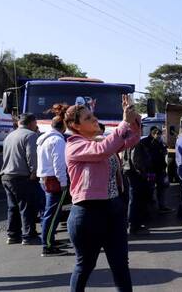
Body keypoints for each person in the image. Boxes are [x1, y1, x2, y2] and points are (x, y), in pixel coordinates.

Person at [65, 94, 140, 291]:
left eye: (93, 115)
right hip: (87, 213)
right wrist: (124, 122)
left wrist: (133, 115)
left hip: (113, 209)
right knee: (85, 265)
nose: (94, 119)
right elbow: (102, 151)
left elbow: (132, 138)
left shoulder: (101, 140)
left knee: (120, 266)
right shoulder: (74, 145)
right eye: (88, 118)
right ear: (76, 126)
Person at [0, 113, 40, 245]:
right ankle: (29, 236)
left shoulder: (9, 135)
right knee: (26, 207)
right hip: (21, 176)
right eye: (35, 123)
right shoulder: (30, 135)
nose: (36, 125)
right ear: (31, 123)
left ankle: (13, 235)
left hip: (6, 175)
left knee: (13, 207)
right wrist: (34, 171)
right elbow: (31, 155)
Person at [36, 104, 71, 256]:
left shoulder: (44, 138)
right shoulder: (58, 140)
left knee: (50, 213)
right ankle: (48, 246)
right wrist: (63, 182)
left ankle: (49, 240)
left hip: (45, 178)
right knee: (52, 214)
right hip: (54, 180)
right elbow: (59, 164)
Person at [123, 134, 154, 235]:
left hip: (130, 173)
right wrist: (143, 173)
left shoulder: (127, 143)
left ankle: (134, 224)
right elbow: (136, 161)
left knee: (134, 200)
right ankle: (133, 225)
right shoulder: (135, 144)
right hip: (136, 175)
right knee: (136, 200)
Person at [142, 126, 173, 213]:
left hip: (157, 170)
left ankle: (158, 207)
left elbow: (162, 153)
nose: (159, 137)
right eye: (158, 135)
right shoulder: (148, 142)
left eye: (160, 135)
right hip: (152, 171)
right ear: (153, 134)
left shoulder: (158, 142)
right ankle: (152, 207)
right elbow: (153, 157)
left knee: (159, 188)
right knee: (152, 189)